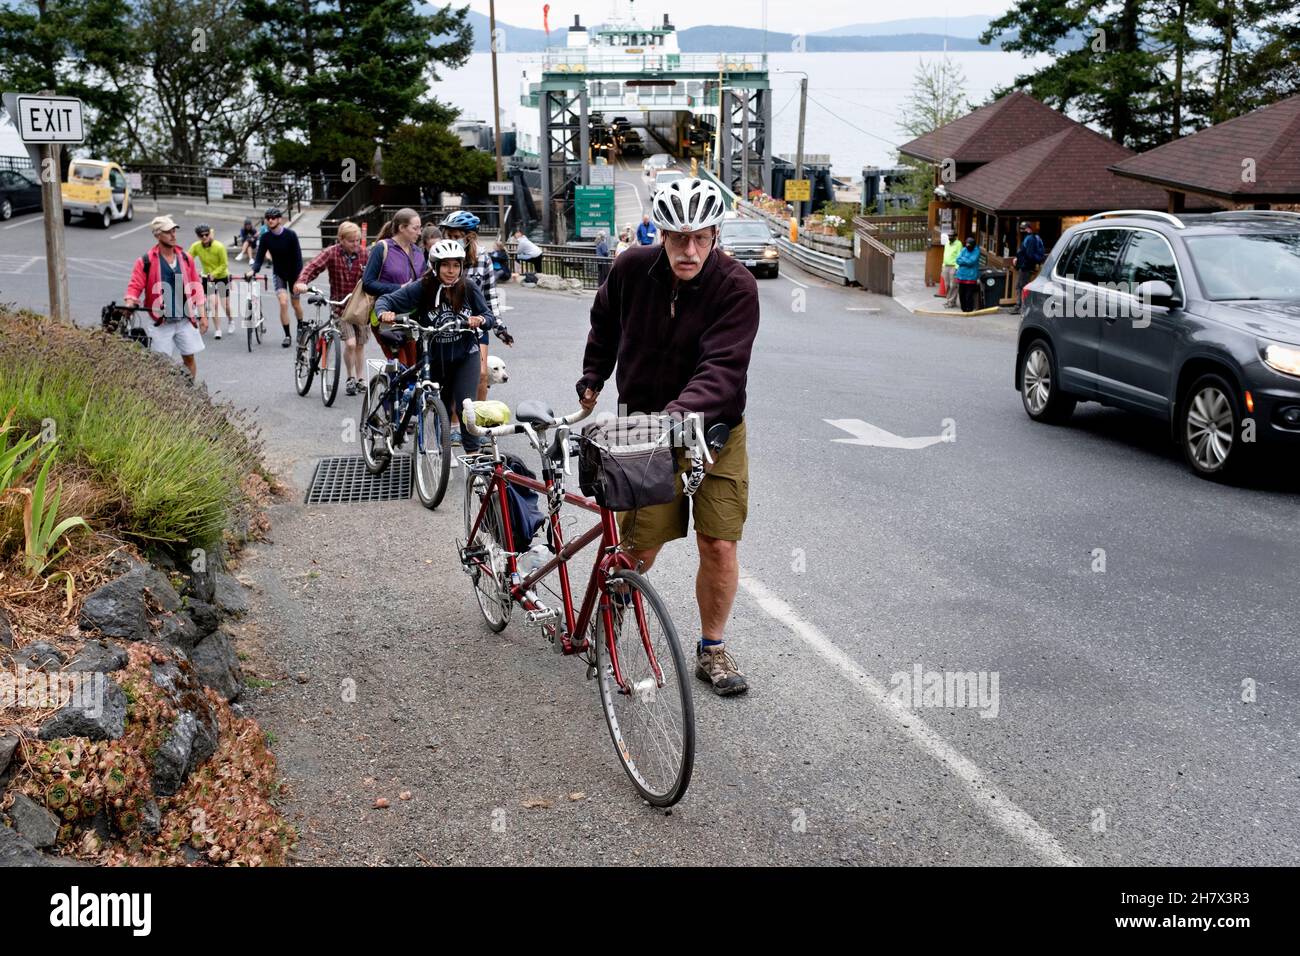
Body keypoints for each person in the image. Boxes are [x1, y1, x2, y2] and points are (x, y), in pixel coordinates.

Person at [577, 177, 758, 696]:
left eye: (702, 237)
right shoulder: (632, 267)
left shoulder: (736, 286)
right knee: (640, 545)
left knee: (719, 542)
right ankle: (612, 610)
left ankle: (712, 649)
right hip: (642, 428)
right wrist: (594, 375)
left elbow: (722, 367)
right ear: (661, 234)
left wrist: (678, 414)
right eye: (679, 238)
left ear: (716, 232)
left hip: (713, 432)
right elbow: (604, 323)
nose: (690, 249)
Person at [374, 239, 496, 454]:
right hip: (434, 358)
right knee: (441, 406)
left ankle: (474, 458)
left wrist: (481, 320)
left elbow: (488, 316)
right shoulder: (423, 287)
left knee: (466, 406)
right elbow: (385, 300)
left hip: (466, 355)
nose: (451, 271)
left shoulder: (467, 287)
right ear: (435, 266)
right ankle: (440, 454)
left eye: (456, 265)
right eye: (446, 265)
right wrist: (385, 312)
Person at [437, 210, 505, 428]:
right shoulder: (441, 256)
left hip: (476, 325)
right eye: (448, 234)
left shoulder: (483, 257)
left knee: (482, 374)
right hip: (448, 325)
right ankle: (456, 424)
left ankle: (478, 424)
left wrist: (500, 327)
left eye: (456, 235)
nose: (451, 239)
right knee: (454, 376)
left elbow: (490, 294)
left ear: (469, 237)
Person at [123, 216, 207, 377]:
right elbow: (135, 286)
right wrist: (130, 302)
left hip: (185, 319)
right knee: (160, 366)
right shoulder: (146, 261)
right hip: (160, 322)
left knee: (189, 358)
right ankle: (165, 399)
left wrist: (202, 315)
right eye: (168, 232)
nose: (173, 235)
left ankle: (189, 393)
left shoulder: (185, 258)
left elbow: (197, 288)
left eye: (174, 231)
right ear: (157, 235)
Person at [295, 220, 368, 395]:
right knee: (350, 344)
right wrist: (302, 282)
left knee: (359, 345)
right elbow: (313, 266)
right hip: (340, 307)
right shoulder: (331, 253)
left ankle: (360, 379)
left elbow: (376, 274)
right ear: (341, 239)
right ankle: (349, 378)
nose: (356, 244)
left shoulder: (365, 254)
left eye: (358, 240)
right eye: (351, 241)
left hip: (361, 307)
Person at [362, 207, 426, 368]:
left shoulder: (418, 252)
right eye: (415, 228)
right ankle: (389, 391)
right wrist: (398, 288)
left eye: (420, 228)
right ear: (402, 228)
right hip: (387, 315)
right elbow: (367, 283)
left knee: (414, 365)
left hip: (413, 317)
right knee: (400, 364)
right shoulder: (382, 248)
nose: (419, 232)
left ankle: (402, 391)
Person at [245, 207, 304, 347]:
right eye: (268, 218)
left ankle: (301, 326)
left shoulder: (291, 235)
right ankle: (288, 335)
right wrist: (253, 270)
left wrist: (300, 279)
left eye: (273, 217)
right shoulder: (265, 237)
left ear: (279, 219)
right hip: (279, 273)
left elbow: (298, 258)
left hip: (294, 274)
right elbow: (259, 258)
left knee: (295, 304)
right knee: (283, 303)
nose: (270, 220)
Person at [189, 223, 232, 339]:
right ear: (198, 236)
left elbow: (224, 264)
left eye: (206, 234)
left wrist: (215, 274)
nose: (204, 237)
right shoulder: (196, 246)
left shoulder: (219, 246)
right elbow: (187, 259)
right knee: (213, 303)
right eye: (201, 235)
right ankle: (218, 329)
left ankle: (230, 320)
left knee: (226, 304)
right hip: (208, 278)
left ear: (209, 234)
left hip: (221, 276)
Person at [1012, 221, 1046, 314]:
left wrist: (1021, 263)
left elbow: (1029, 255)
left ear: (1029, 229)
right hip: (1026, 266)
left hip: (1026, 267)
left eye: (1023, 228)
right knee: (1021, 286)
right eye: (1021, 229)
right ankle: (1021, 306)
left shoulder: (1030, 239)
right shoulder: (1031, 237)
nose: (1022, 230)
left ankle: (1021, 306)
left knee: (1021, 286)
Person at [956, 236, 982, 313]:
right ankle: (963, 309)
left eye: (969, 245)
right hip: (961, 276)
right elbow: (957, 260)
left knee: (969, 295)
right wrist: (966, 260)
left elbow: (971, 262)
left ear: (973, 245)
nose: (968, 247)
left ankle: (969, 309)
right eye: (967, 245)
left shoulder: (976, 251)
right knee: (961, 294)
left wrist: (963, 259)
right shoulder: (964, 249)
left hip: (971, 277)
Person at [942, 232, 962, 309]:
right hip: (946, 266)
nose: (950, 237)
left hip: (954, 266)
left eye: (951, 236)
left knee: (953, 285)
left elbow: (959, 255)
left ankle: (951, 301)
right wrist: (943, 265)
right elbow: (945, 254)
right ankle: (948, 300)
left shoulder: (958, 244)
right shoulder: (947, 243)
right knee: (947, 285)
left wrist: (957, 267)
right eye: (949, 235)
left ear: (955, 236)